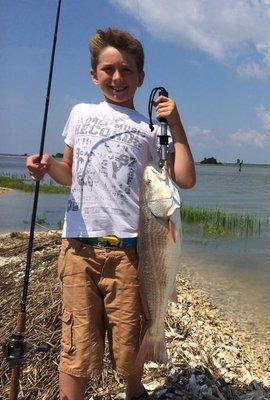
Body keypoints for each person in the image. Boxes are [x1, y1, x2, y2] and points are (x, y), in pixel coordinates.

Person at [26, 28, 196, 400]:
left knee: (129, 340)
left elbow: (184, 178)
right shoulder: (81, 113)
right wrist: (46, 165)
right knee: (77, 342)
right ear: (93, 74)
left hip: (129, 255)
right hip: (78, 249)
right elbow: (68, 173)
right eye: (108, 69)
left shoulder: (149, 129)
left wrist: (177, 123)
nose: (117, 78)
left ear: (140, 78)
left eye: (126, 70)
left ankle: (134, 393)